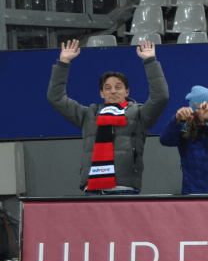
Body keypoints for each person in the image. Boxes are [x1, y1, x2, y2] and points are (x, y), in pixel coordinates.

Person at [46, 39, 169, 195]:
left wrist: (150, 61)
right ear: (101, 93)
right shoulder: (87, 115)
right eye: (107, 88)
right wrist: (63, 62)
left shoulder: (139, 115)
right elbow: (56, 98)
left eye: (118, 87)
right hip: (93, 190)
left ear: (127, 92)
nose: (113, 91)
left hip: (125, 189)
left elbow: (161, 97)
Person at [158, 86, 208, 195]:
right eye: (206, 107)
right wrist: (176, 120)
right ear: (196, 111)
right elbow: (165, 139)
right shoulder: (186, 131)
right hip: (193, 198)